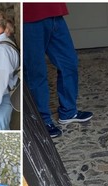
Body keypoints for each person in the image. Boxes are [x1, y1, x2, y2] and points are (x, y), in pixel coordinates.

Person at [23, 3, 93, 138]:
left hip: (55, 13)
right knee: (36, 71)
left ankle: (69, 111)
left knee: (69, 63)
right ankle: (42, 120)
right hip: (29, 18)